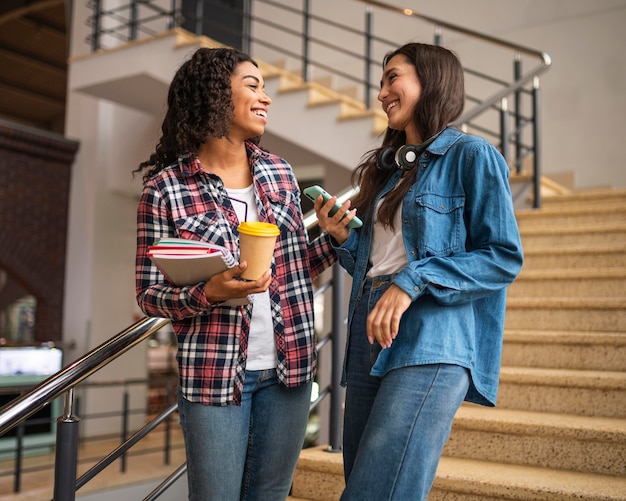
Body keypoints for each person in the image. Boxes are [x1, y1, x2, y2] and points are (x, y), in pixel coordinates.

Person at [311, 42, 524, 500]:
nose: (382, 91)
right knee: (370, 481)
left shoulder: (473, 156)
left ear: (431, 80)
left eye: (393, 77)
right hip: (371, 330)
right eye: (382, 80)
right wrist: (345, 239)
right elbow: (376, 266)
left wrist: (412, 282)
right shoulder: (387, 174)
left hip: (433, 335)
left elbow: (502, 256)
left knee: (377, 489)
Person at [133, 47, 336, 501]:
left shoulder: (280, 173)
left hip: (290, 369)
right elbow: (149, 294)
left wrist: (333, 239)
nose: (265, 97)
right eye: (253, 85)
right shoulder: (165, 189)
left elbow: (295, 269)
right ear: (216, 96)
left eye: (264, 88)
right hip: (214, 372)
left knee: (271, 494)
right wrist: (208, 292)